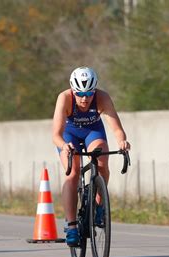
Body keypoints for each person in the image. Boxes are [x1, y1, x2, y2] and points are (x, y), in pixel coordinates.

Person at [52, 66, 131, 247]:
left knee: (102, 161)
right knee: (72, 174)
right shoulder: (64, 98)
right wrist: (64, 146)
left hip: (92, 132)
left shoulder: (102, 98)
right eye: (80, 93)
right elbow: (56, 134)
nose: (85, 98)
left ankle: (99, 206)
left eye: (89, 93)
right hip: (69, 135)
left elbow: (117, 128)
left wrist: (122, 141)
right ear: (73, 90)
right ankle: (71, 225)